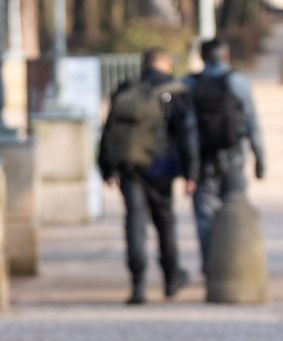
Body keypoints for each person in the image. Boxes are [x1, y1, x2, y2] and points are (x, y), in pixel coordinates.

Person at [97, 48, 199, 304]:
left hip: (129, 166)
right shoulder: (174, 91)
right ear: (166, 64)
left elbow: (108, 128)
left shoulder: (126, 88)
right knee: (165, 222)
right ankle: (171, 279)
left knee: (135, 223)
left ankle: (138, 285)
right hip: (161, 166)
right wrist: (191, 172)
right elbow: (187, 135)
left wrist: (106, 167)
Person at [184, 38, 266, 275]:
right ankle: (235, 266)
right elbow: (252, 122)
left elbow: (184, 128)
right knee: (236, 210)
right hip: (234, 157)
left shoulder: (190, 84)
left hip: (202, 161)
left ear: (202, 58)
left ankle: (211, 267)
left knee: (204, 217)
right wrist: (260, 157)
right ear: (226, 56)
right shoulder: (237, 82)